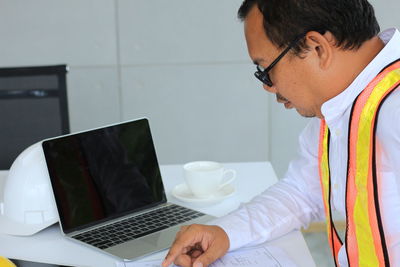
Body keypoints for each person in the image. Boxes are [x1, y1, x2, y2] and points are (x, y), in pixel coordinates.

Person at [162, 0, 400, 266]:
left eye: (266, 69)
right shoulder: (342, 102)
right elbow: (301, 192)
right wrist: (225, 233)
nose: (269, 87)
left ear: (317, 48)